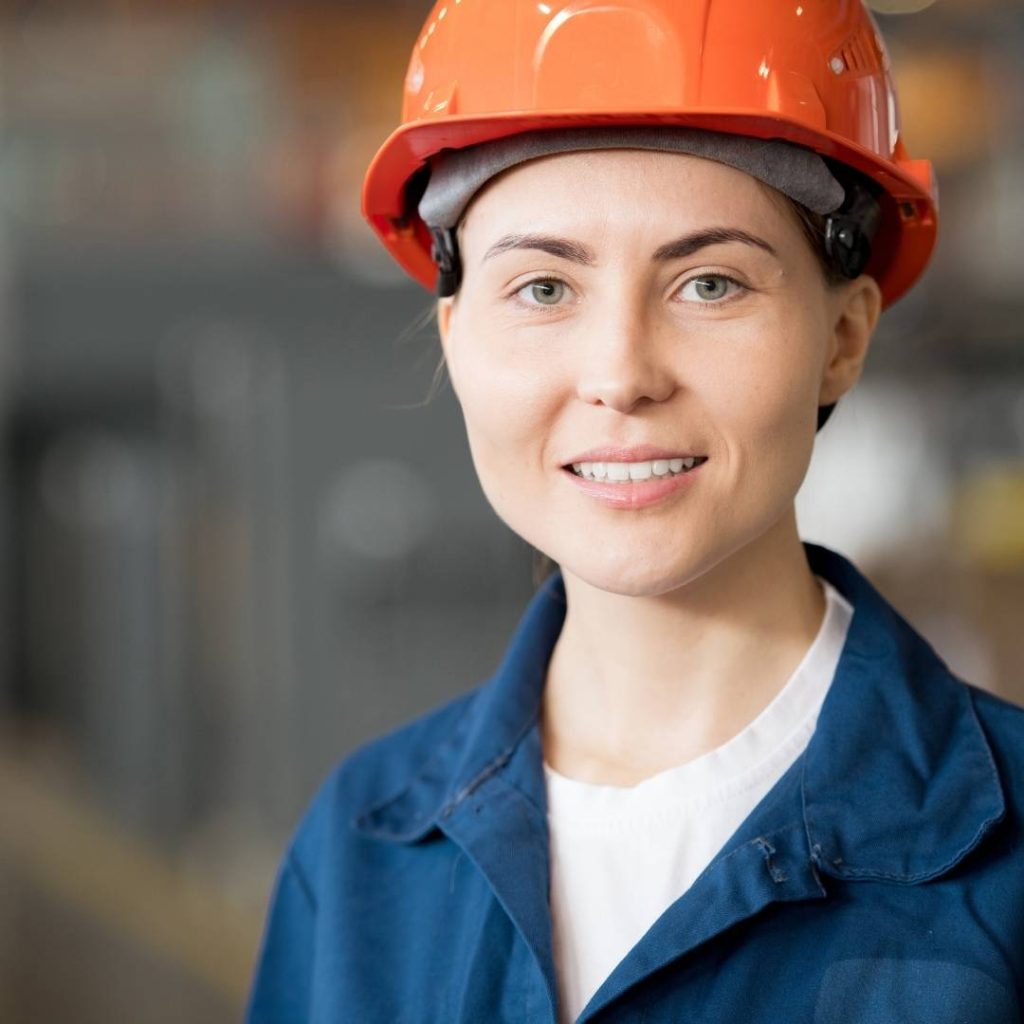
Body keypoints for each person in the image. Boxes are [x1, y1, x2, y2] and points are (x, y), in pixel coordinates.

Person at [246, 1, 1024, 1021]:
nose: (619, 374)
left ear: (841, 335)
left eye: (708, 283)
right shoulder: (359, 858)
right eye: (540, 289)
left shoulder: (1004, 878)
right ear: (453, 336)